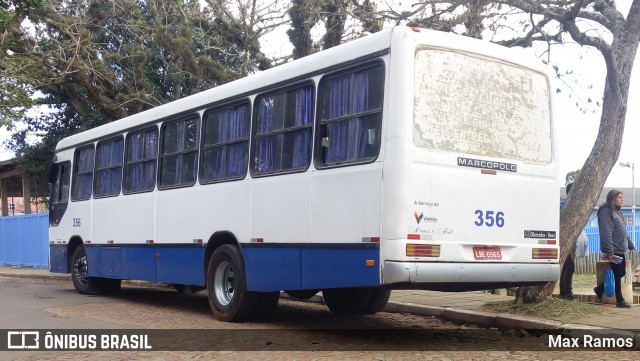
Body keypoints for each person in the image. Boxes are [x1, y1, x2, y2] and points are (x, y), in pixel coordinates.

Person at [594, 189, 637, 308]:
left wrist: (630, 244)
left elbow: (623, 232)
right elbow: (606, 232)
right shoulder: (606, 212)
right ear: (612, 199)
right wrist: (609, 251)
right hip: (613, 250)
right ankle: (619, 300)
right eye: (619, 197)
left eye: (622, 197)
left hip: (620, 249)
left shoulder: (618, 212)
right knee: (618, 273)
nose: (622, 199)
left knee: (621, 272)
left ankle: (599, 289)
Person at [559, 183, 589, 300]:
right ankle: (568, 293)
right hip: (564, 240)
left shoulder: (579, 207)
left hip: (573, 241)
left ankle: (563, 292)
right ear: (568, 193)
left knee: (567, 265)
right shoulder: (563, 206)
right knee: (570, 265)